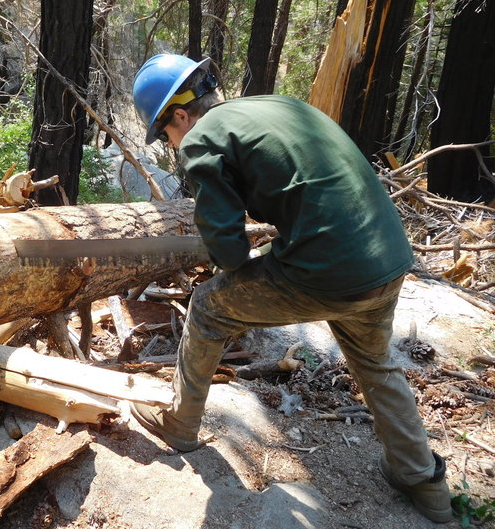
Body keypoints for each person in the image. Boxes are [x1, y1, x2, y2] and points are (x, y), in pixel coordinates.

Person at [129, 54, 452, 523]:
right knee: (375, 363)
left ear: (179, 114)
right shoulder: (274, 106)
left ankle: (180, 424)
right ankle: (426, 485)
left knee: (207, 304)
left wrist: (217, 246)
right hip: (387, 257)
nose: (173, 143)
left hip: (330, 268)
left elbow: (231, 256)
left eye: (166, 134)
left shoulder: (202, 136)